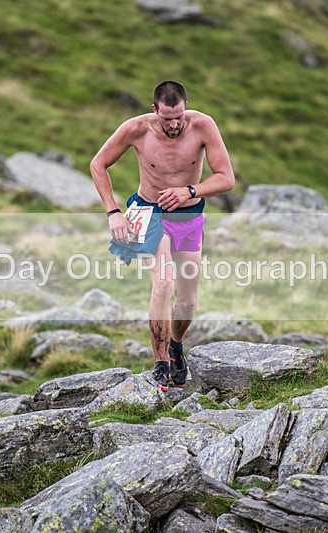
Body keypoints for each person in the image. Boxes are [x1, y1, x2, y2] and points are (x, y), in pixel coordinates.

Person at [90, 81, 235, 392]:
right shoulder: (136, 129)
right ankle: (160, 366)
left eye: (179, 116)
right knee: (164, 283)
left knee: (187, 302)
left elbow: (226, 178)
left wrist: (189, 191)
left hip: (189, 216)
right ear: (154, 110)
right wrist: (113, 212)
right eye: (167, 118)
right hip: (149, 213)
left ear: (185, 108)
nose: (174, 124)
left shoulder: (203, 125)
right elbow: (98, 164)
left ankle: (175, 346)